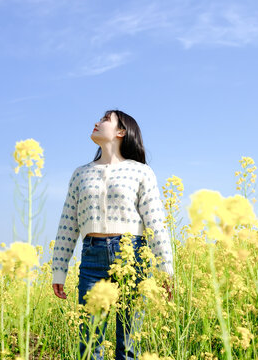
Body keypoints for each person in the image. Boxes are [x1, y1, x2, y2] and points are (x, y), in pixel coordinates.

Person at [51, 110, 174, 360]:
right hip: (91, 259)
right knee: (89, 344)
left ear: (121, 132)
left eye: (105, 119)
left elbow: (156, 223)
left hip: (133, 258)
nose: (97, 122)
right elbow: (67, 224)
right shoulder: (80, 173)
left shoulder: (141, 172)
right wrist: (58, 270)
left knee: (128, 344)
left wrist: (165, 271)